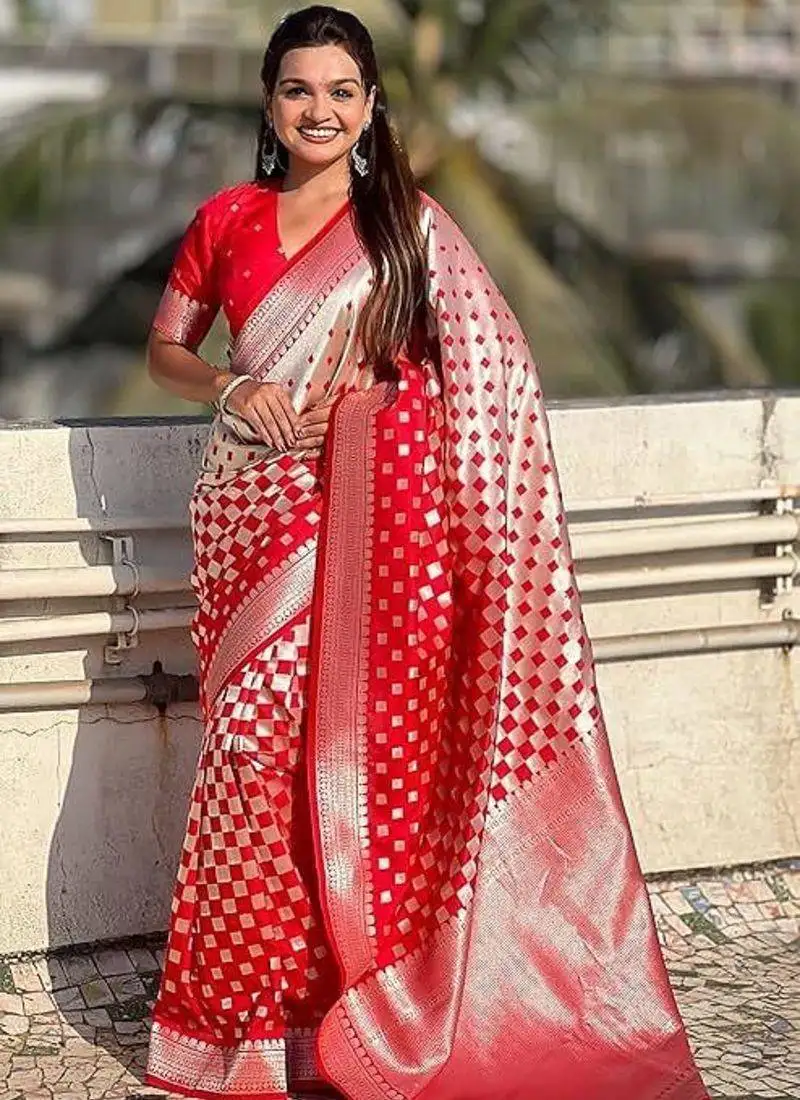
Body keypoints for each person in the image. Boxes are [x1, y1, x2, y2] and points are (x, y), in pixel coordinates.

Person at [143, 7, 708, 1100]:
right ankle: (246, 1028)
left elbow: (486, 375)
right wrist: (233, 386)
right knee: (249, 762)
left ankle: (334, 1016)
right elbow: (167, 351)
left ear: (369, 106)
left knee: (327, 764)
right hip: (244, 514)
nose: (320, 109)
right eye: (299, 89)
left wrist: (369, 414)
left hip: (361, 525)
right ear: (269, 103)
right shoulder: (226, 220)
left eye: (342, 90)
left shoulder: (406, 227)